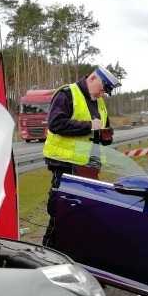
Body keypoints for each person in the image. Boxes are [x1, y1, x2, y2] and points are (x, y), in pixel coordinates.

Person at [42, 65, 121, 247]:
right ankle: (49, 252)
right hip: (66, 163)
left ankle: (77, 252)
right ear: (92, 79)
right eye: (101, 89)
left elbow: (98, 130)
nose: (101, 95)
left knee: (86, 214)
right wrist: (87, 126)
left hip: (89, 166)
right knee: (61, 213)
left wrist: (105, 136)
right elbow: (55, 123)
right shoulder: (68, 94)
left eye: (104, 92)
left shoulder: (99, 102)